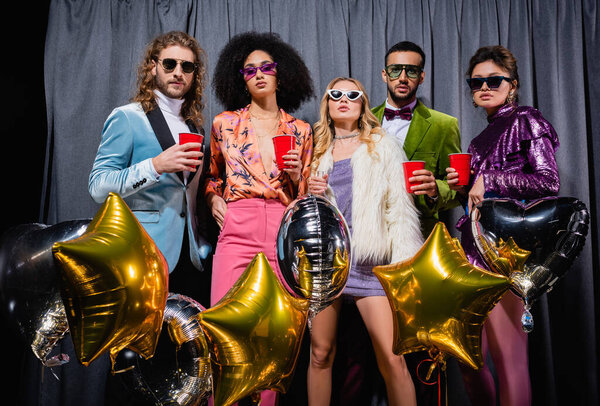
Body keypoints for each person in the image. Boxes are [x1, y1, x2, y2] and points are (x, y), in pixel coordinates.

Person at [205, 31, 314, 406]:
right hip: (238, 228)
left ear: (281, 74)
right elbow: (212, 176)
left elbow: (306, 198)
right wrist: (212, 198)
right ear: (242, 78)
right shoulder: (223, 124)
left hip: (283, 233)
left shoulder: (301, 131)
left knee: (274, 336)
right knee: (226, 329)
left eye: (267, 67)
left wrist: (299, 175)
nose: (259, 74)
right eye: (250, 70)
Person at [447, 45, 560, 406]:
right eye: (476, 81)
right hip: (474, 246)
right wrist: (463, 184)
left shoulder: (527, 119)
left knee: (509, 358)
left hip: (507, 247)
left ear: (513, 84)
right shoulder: (480, 138)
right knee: (468, 356)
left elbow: (547, 181)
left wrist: (490, 179)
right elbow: (482, 193)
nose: (484, 86)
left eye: (493, 80)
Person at [307, 77, 424, 406]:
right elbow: (302, 211)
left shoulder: (382, 145)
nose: (344, 99)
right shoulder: (314, 149)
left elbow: (400, 210)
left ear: (362, 105)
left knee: (392, 358)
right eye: (336, 94)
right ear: (327, 105)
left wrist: (401, 270)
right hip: (327, 264)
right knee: (319, 354)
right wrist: (309, 192)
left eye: (353, 94)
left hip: (369, 264)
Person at [88, 31, 211, 302]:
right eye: (170, 64)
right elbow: (98, 186)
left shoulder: (196, 127)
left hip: (188, 258)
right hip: (141, 253)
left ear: (194, 75)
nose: (178, 72)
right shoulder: (127, 117)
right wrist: (155, 165)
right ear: (153, 66)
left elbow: (189, 194)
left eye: (187, 66)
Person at [372, 40, 461, 238]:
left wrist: (436, 189)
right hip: (370, 235)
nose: (402, 78)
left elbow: (459, 188)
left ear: (421, 77)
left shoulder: (444, 125)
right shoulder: (364, 121)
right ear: (384, 74)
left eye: (411, 71)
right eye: (395, 70)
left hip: (419, 234)